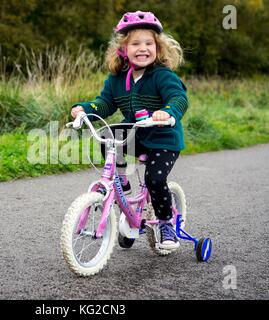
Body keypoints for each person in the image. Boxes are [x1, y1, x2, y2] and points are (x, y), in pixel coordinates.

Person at [70, 11, 188, 252]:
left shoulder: (162, 76)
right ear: (123, 49)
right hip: (137, 134)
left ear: (158, 47)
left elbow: (179, 98)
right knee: (108, 133)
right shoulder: (116, 79)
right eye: (135, 43)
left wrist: (168, 112)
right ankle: (120, 180)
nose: (142, 48)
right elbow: (104, 104)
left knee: (154, 180)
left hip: (163, 138)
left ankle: (166, 224)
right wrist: (85, 108)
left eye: (148, 43)